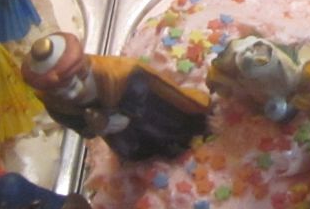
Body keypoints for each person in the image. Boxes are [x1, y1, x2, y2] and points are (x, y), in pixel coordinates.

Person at [22, 31, 209, 161]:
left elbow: (139, 84)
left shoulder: (117, 72)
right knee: (134, 150)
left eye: (70, 83)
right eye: (58, 90)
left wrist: (125, 113)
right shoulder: (55, 103)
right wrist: (93, 126)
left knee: (166, 128)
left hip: (148, 112)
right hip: (119, 135)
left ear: (81, 68)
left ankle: (177, 143)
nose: (70, 94)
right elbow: (72, 122)